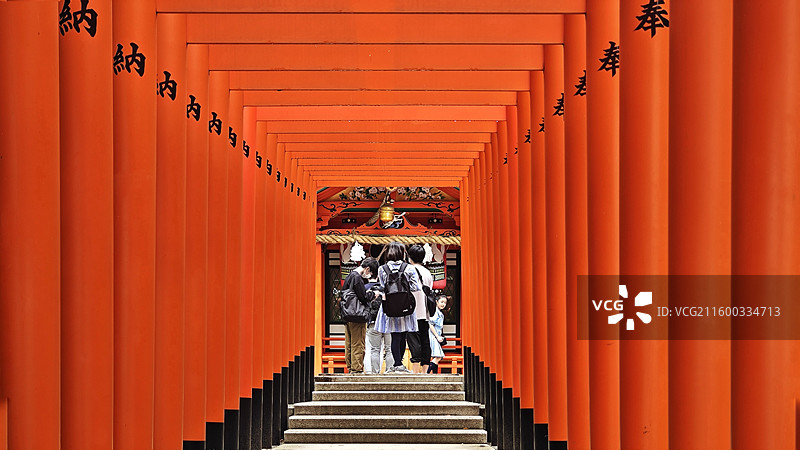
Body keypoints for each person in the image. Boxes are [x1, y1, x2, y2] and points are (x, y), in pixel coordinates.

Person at [374, 242, 420, 374]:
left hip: (390, 306)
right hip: (406, 305)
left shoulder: (382, 269)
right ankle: (400, 364)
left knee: (394, 335)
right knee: (403, 334)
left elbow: (382, 287)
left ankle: (397, 364)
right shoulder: (409, 268)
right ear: (402, 253)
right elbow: (416, 287)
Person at [340, 257, 379, 374]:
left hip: (348, 315)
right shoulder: (357, 278)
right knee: (358, 343)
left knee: (349, 343)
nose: (369, 275)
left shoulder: (349, 276)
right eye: (370, 273)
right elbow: (363, 297)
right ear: (367, 269)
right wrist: (373, 294)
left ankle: (350, 366)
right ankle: (356, 369)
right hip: (357, 315)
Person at [406, 244, 433, 373]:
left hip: (412, 310)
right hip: (425, 311)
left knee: (413, 340)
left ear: (409, 257)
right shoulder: (427, 272)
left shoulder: (408, 270)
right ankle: (425, 370)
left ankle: (415, 370)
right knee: (425, 340)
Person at [365, 274, 394, 373]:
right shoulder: (388, 290)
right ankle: (389, 371)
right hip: (388, 322)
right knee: (389, 349)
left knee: (375, 350)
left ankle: (375, 373)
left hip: (373, 322)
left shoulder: (367, 291)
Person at [427, 296, 449, 374]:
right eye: (442, 302)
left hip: (436, 335)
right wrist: (437, 336)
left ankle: (434, 374)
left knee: (436, 356)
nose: (443, 304)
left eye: (445, 303)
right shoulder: (435, 312)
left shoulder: (439, 312)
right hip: (434, 335)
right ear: (436, 301)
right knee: (438, 356)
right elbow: (431, 324)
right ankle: (427, 372)